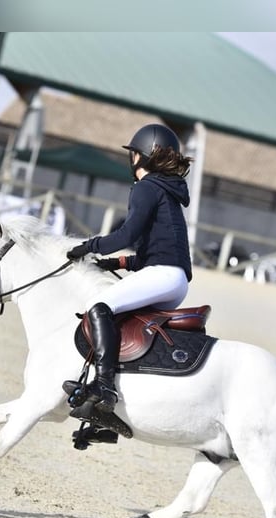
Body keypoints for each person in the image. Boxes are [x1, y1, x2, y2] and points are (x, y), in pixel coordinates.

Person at [65, 123, 193, 414]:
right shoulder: (167, 191)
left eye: (133, 154)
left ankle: (105, 387)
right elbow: (153, 251)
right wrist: (119, 263)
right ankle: (102, 410)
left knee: (98, 305)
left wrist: (89, 246)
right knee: (118, 315)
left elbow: (125, 236)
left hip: (163, 276)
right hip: (173, 279)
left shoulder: (146, 187)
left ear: (140, 156)